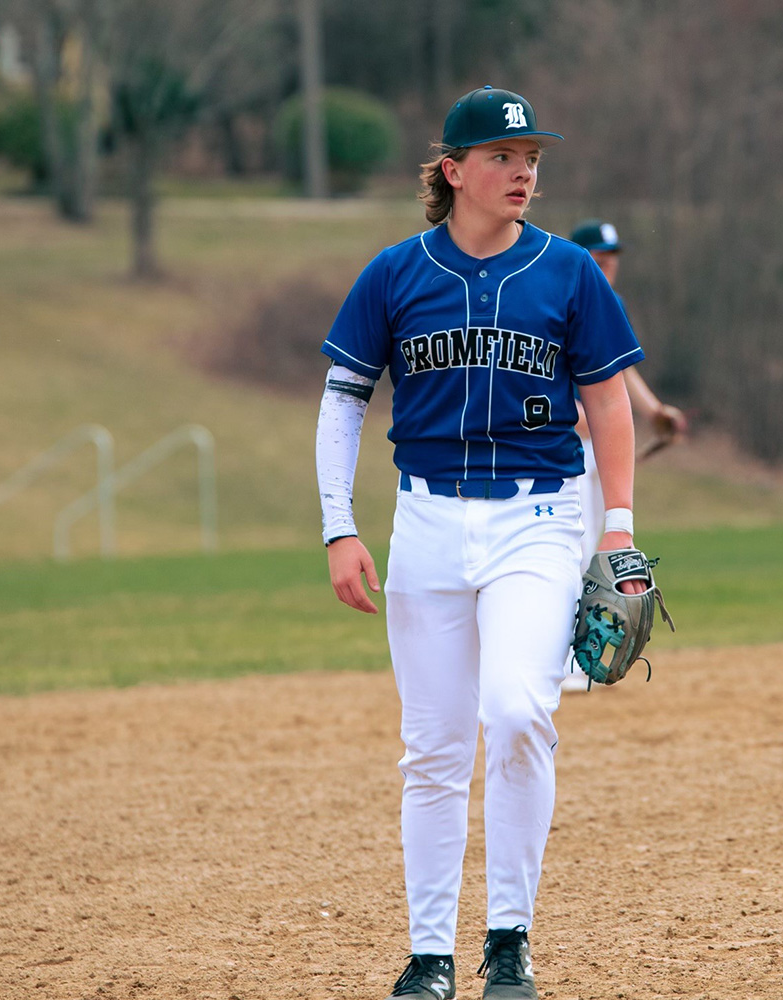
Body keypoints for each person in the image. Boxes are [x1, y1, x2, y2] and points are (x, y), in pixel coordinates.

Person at [314, 86, 647, 999]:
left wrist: (615, 528)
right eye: (504, 157)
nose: (524, 171)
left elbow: (609, 400)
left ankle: (509, 938)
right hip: (424, 521)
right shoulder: (395, 271)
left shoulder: (568, 270)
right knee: (431, 749)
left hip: (538, 520)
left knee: (515, 712)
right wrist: (339, 526)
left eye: (533, 157)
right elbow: (344, 398)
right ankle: (430, 956)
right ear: (454, 171)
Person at [560, 219, 689, 693]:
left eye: (611, 259)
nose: (606, 267)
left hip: (600, 444)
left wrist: (654, 410)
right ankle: (562, 660)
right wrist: (567, 415)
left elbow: (619, 373)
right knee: (568, 550)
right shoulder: (559, 293)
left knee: (597, 550)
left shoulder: (611, 302)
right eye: (598, 258)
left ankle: (580, 657)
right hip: (565, 444)